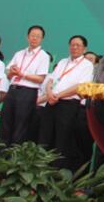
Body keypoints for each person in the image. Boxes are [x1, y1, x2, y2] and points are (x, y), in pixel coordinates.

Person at [39, 35, 95, 172]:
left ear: (84, 49)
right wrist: (49, 93)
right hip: (51, 102)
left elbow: (79, 86)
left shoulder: (87, 65)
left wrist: (58, 95)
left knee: (62, 140)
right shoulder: (63, 62)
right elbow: (51, 80)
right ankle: (40, 169)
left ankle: (56, 172)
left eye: (78, 45)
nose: (74, 48)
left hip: (68, 106)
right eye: (72, 45)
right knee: (45, 137)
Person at [0, 25, 50, 146]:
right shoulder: (19, 53)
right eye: (32, 35)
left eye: (38, 36)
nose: (34, 38)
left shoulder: (43, 56)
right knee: (5, 123)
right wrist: (12, 72)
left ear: (42, 39)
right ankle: (1, 154)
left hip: (28, 92)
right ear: (27, 37)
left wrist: (22, 74)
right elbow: (8, 74)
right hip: (12, 90)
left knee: (21, 125)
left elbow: (40, 79)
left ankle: (15, 154)